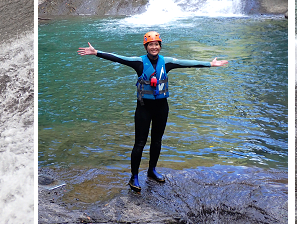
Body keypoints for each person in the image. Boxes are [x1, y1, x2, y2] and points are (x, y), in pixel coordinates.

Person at [78, 31, 228, 192]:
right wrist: (96, 53)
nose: (154, 47)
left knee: (157, 141)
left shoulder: (167, 62)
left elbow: (187, 62)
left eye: (156, 44)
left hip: (162, 108)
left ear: (160, 46)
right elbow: (119, 58)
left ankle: (152, 171)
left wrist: (210, 64)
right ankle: (134, 177)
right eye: (151, 44)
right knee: (140, 143)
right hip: (144, 108)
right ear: (146, 47)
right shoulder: (139, 62)